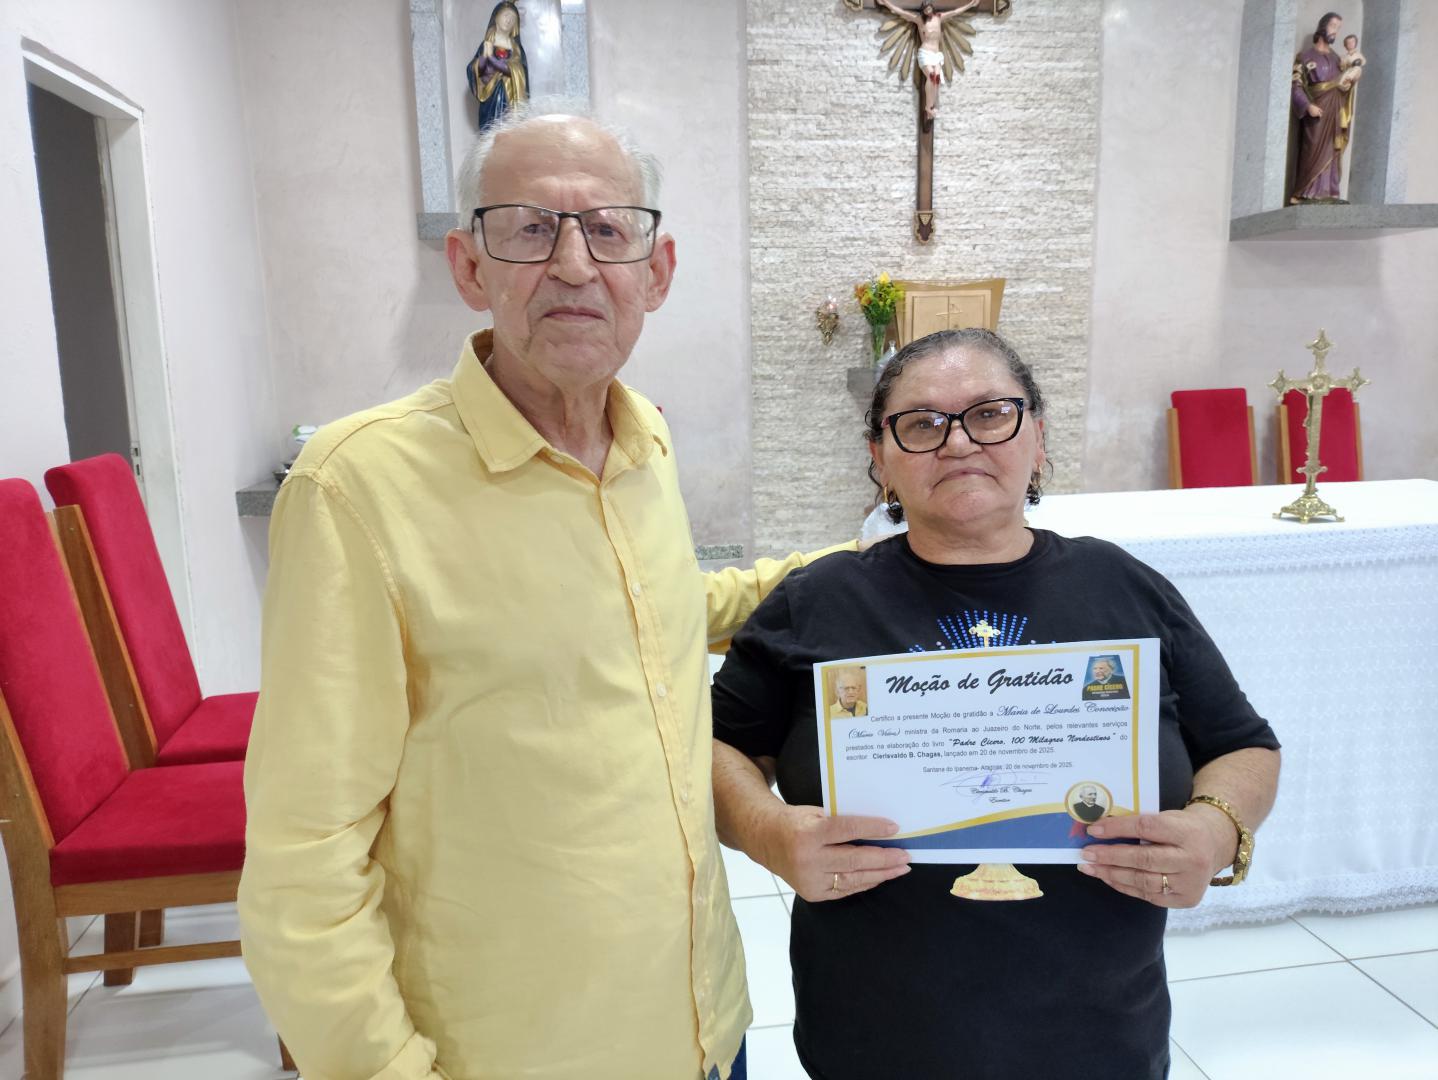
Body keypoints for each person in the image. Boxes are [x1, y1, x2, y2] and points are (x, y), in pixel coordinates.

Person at [238, 101, 852, 1080]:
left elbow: (652, 614)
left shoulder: (643, 436)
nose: (573, 264)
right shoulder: (358, 487)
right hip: (518, 1050)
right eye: (529, 228)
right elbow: (303, 860)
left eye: (608, 229)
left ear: (657, 272)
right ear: (469, 267)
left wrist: (861, 562)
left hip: (705, 1021)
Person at [711, 327, 1281, 1079]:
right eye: (921, 424)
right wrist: (769, 834)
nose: (957, 442)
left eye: (990, 414)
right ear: (880, 458)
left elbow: (1242, 744)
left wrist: (1216, 830)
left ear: (1037, 438)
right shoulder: (815, 602)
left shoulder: (1123, 587)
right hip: (877, 1030)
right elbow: (715, 749)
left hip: (1097, 1029)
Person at [1291, 11, 1356, 204]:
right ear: (1322, 27)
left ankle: (1329, 191)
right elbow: (1296, 86)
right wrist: (1307, 105)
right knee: (1312, 149)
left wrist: (1348, 84)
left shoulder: (1338, 59)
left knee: (1333, 150)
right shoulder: (1305, 57)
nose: (1335, 31)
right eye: (1333, 26)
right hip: (1316, 112)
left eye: (1338, 28)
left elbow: (1343, 85)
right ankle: (1305, 191)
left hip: (1334, 111)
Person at [875, 0, 979, 120]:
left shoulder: (939, 17)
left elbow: (955, 12)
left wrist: (970, 4)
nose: (927, 10)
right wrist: (886, 3)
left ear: (932, 7)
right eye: (925, 9)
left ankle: (931, 106)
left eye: (928, 7)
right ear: (923, 10)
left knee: (936, 79)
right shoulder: (920, 20)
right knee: (931, 76)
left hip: (936, 54)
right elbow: (901, 12)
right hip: (925, 53)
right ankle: (928, 107)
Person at [467, 1, 528, 131]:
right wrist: (484, 60)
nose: (508, 20)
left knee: (511, 134)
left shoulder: (517, 49)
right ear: (496, 17)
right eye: (506, 15)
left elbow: (522, 75)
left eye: (513, 18)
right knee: (491, 132)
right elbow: (478, 74)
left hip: (512, 100)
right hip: (492, 97)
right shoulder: (487, 44)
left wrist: (500, 65)